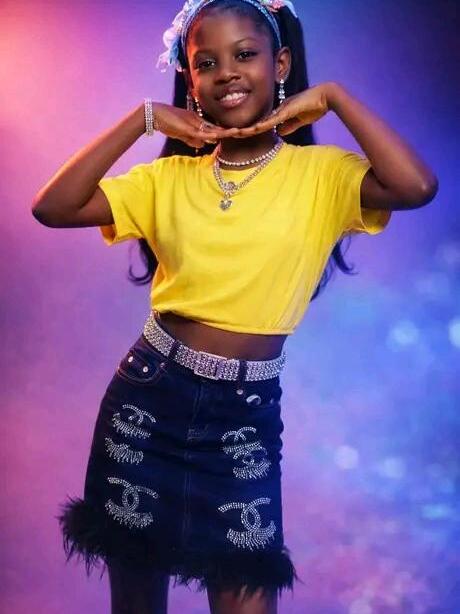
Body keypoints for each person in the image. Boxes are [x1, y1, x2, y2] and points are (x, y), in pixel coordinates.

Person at [31, 0, 438, 612]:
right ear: (190, 82)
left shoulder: (323, 174)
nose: (227, 72)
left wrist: (333, 97)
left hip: (244, 417)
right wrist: (143, 119)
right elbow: (53, 206)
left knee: (247, 594)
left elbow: (417, 185)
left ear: (281, 64)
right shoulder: (166, 180)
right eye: (206, 63)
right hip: (148, 400)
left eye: (245, 55)